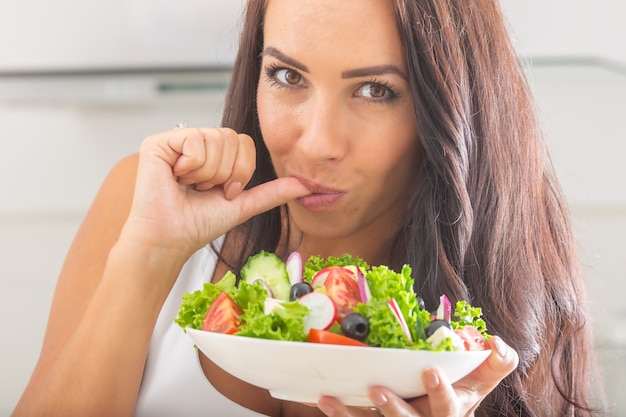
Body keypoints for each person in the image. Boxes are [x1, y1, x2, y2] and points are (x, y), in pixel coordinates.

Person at [12, 0, 608, 416]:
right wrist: (148, 256)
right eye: (288, 75)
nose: (317, 142)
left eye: (376, 90)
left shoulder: (509, 286)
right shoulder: (145, 201)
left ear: (447, 106)